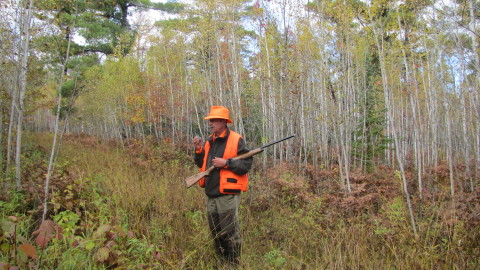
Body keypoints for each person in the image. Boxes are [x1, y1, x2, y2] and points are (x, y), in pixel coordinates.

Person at [193, 106, 253, 267]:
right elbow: (202, 163)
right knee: (216, 232)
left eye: (214, 120)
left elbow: (246, 165)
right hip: (211, 192)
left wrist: (226, 163)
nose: (210, 123)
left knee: (229, 232)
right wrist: (198, 149)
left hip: (227, 193)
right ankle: (221, 261)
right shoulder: (209, 140)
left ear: (224, 122)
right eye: (210, 120)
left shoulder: (236, 139)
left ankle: (233, 264)